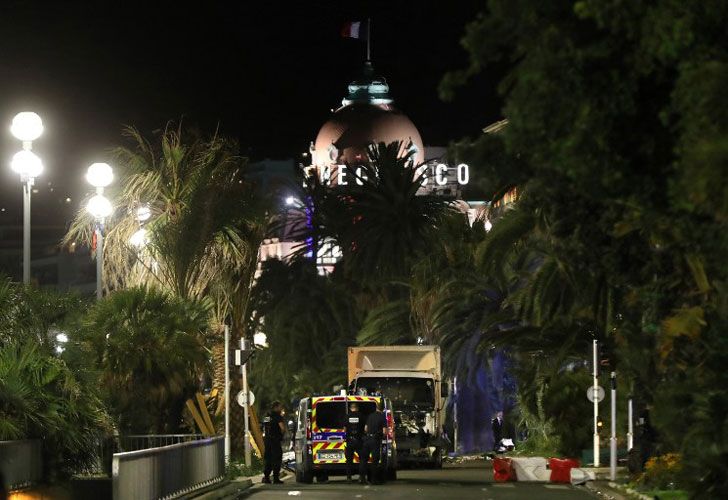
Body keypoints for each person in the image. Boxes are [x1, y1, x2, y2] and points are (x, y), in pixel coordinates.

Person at [360, 400, 387, 484]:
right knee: (374, 461)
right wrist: (382, 437)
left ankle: (362, 479)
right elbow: (384, 431)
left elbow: (365, 429)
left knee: (363, 460)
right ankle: (373, 480)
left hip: (367, 439)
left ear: (376, 408)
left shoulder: (370, 416)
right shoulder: (382, 417)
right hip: (375, 440)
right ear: (383, 409)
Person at [262, 401, 286, 484]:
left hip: (268, 441)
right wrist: (281, 435)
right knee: (276, 459)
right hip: (275, 441)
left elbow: (265, 427)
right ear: (276, 407)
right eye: (280, 407)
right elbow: (282, 428)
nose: (281, 408)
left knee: (268, 458)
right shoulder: (278, 416)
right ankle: (276, 478)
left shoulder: (267, 416)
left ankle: (266, 477)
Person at [344, 402, 364, 482]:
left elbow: (344, 429)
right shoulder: (361, 416)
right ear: (357, 408)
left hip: (350, 441)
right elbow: (365, 428)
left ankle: (349, 478)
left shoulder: (347, 416)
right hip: (359, 440)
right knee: (362, 459)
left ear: (350, 408)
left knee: (349, 460)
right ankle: (361, 477)